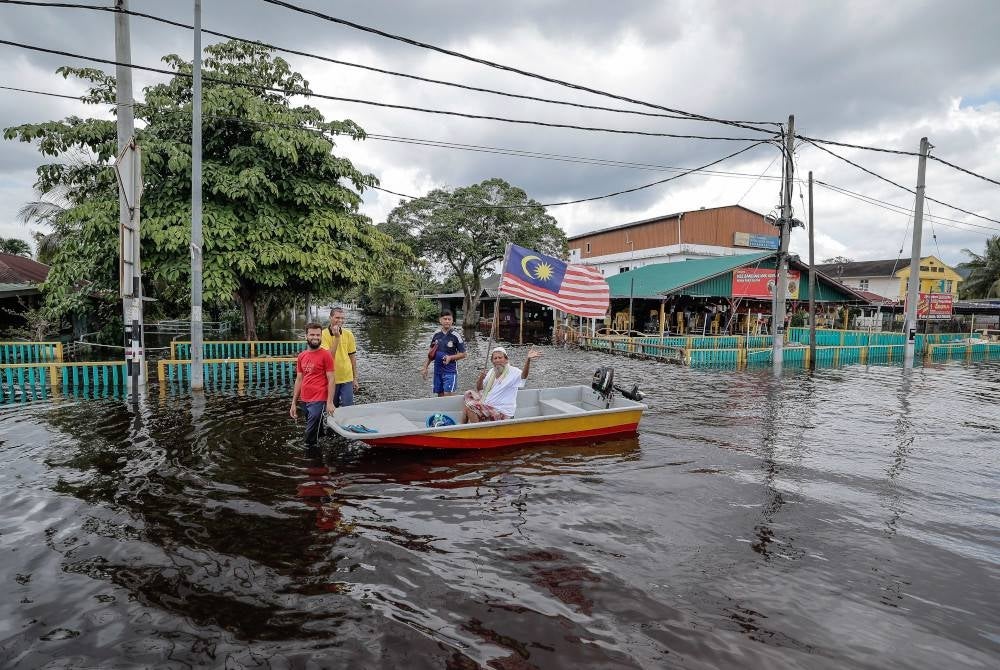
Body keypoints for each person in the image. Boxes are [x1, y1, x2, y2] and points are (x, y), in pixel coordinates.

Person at [462, 346, 541, 423]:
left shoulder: (513, 371)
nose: (497, 360)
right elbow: (479, 389)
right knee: (468, 394)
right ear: (492, 361)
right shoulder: (491, 371)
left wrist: (528, 360)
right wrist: (480, 379)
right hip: (488, 404)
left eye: (500, 358)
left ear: (506, 359)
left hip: (502, 412)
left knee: (470, 406)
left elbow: (524, 376)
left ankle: (476, 431)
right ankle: (462, 428)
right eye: (495, 358)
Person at [290, 323, 335, 448]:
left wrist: (330, 402)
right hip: (305, 399)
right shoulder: (301, 356)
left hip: (319, 399)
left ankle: (310, 459)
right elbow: (299, 379)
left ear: (321, 336)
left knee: (309, 437)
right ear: (306, 336)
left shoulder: (326, 355)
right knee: (317, 431)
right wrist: (294, 402)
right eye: (312, 334)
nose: (315, 337)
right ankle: (325, 450)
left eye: (318, 335)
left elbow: (331, 379)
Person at [421, 310, 466, 396]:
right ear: (440, 320)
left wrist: (450, 358)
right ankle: (442, 410)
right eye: (445, 319)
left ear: (452, 321)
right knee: (440, 394)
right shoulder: (436, 334)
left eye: (449, 319)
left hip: (450, 370)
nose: (447, 321)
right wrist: (425, 367)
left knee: (448, 394)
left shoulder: (456, 335)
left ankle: (451, 409)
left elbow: (463, 354)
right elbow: (431, 353)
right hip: (438, 370)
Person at [320, 307, 359, 407]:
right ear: (330, 318)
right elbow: (329, 356)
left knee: (348, 407)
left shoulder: (348, 334)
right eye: (337, 317)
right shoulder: (323, 334)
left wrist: (355, 378)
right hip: (331, 378)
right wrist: (337, 337)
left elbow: (352, 357)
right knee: (333, 407)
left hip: (347, 377)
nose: (340, 320)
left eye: (342, 318)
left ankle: (347, 423)